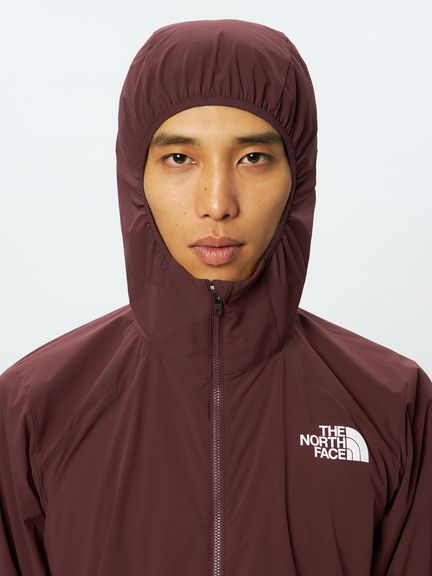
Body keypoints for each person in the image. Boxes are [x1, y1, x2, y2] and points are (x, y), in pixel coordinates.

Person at [0, 18, 431, 576]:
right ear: (135, 177)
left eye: (253, 158)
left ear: (298, 177)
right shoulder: (34, 409)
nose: (218, 202)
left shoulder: (395, 406)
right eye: (180, 158)